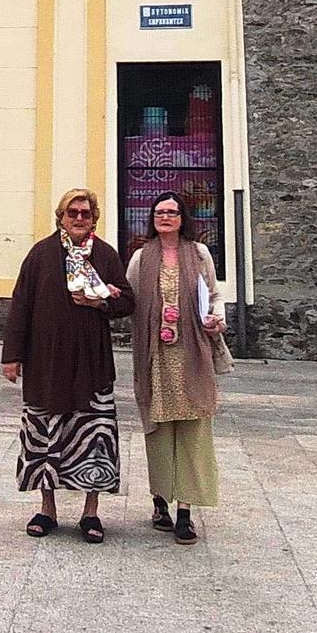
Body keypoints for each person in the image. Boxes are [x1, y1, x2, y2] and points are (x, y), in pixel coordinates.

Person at [0, 187, 135, 542]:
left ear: (94, 219)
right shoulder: (41, 254)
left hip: (92, 364)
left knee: (94, 436)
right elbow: (20, 305)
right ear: (60, 216)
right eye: (72, 212)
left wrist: (102, 302)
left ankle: (91, 513)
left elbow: (128, 302)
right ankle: (48, 510)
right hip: (46, 360)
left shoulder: (105, 255)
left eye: (85, 213)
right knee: (45, 435)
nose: (79, 218)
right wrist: (12, 355)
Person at [125, 192, 226, 544]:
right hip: (155, 357)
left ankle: (185, 511)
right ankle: (159, 502)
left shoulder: (198, 254)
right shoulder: (141, 257)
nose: (165, 217)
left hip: (191, 354)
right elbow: (130, 300)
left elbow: (213, 295)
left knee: (192, 433)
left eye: (171, 212)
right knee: (159, 433)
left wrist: (217, 319)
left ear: (183, 218)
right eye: (158, 212)